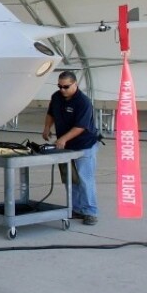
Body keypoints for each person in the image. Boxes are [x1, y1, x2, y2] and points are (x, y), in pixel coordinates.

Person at [42, 70, 100, 225]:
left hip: (84, 146)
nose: (62, 90)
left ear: (75, 84)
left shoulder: (83, 102)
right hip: (66, 147)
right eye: (60, 86)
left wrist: (63, 139)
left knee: (85, 179)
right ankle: (76, 208)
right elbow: (50, 113)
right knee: (70, 179)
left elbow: (80, 126)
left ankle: (90, 211)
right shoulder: (56, 97)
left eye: (66, 87)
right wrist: (47, 128)